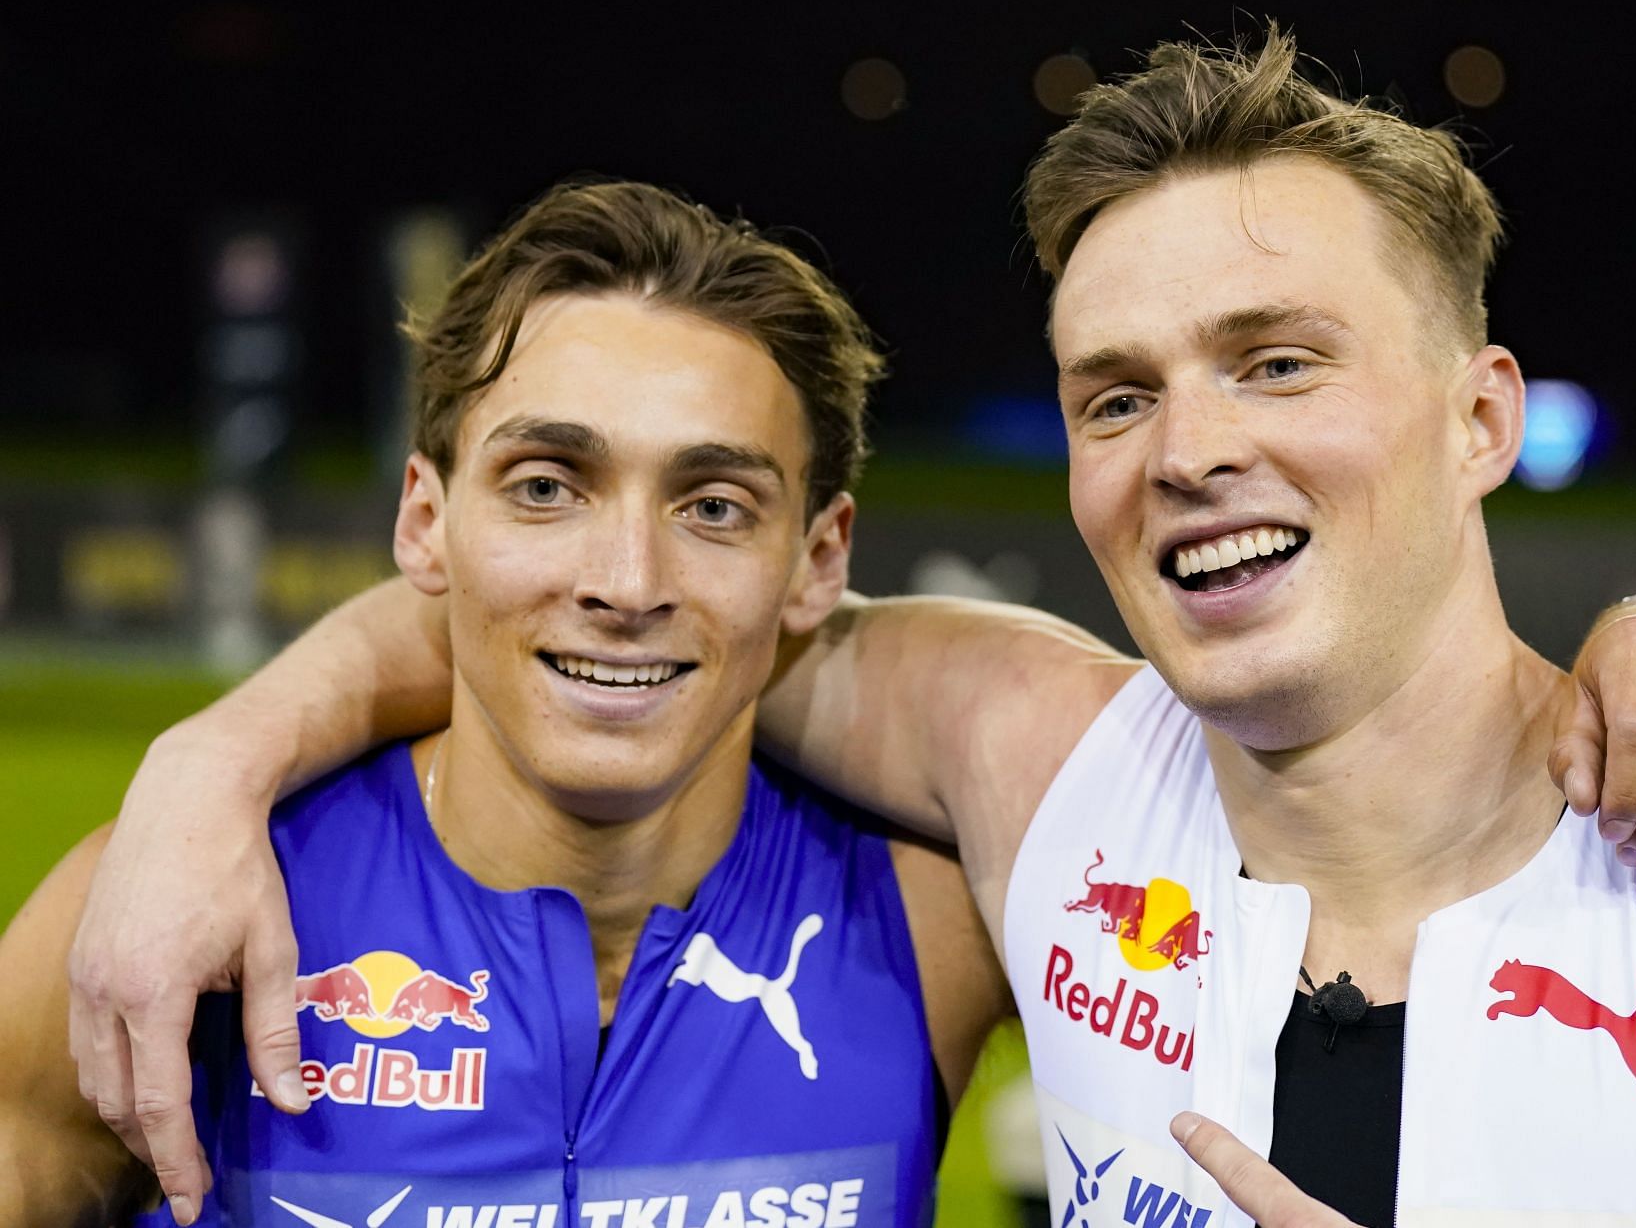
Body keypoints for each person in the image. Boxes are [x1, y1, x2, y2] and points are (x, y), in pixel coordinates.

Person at [62, 33, 1636, 1225]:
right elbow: (582, 619)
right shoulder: (1041, 775)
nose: (1196, 445)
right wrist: (212, 754)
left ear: (1483, 417)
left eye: (1278, 359)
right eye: (1116, 392)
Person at [1, 181, 1013, 1225]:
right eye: (545, 486)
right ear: (425, 522)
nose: (626, 581)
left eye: (714, 506)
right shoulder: (168, 918)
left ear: (818, 559)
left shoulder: (942, 929)